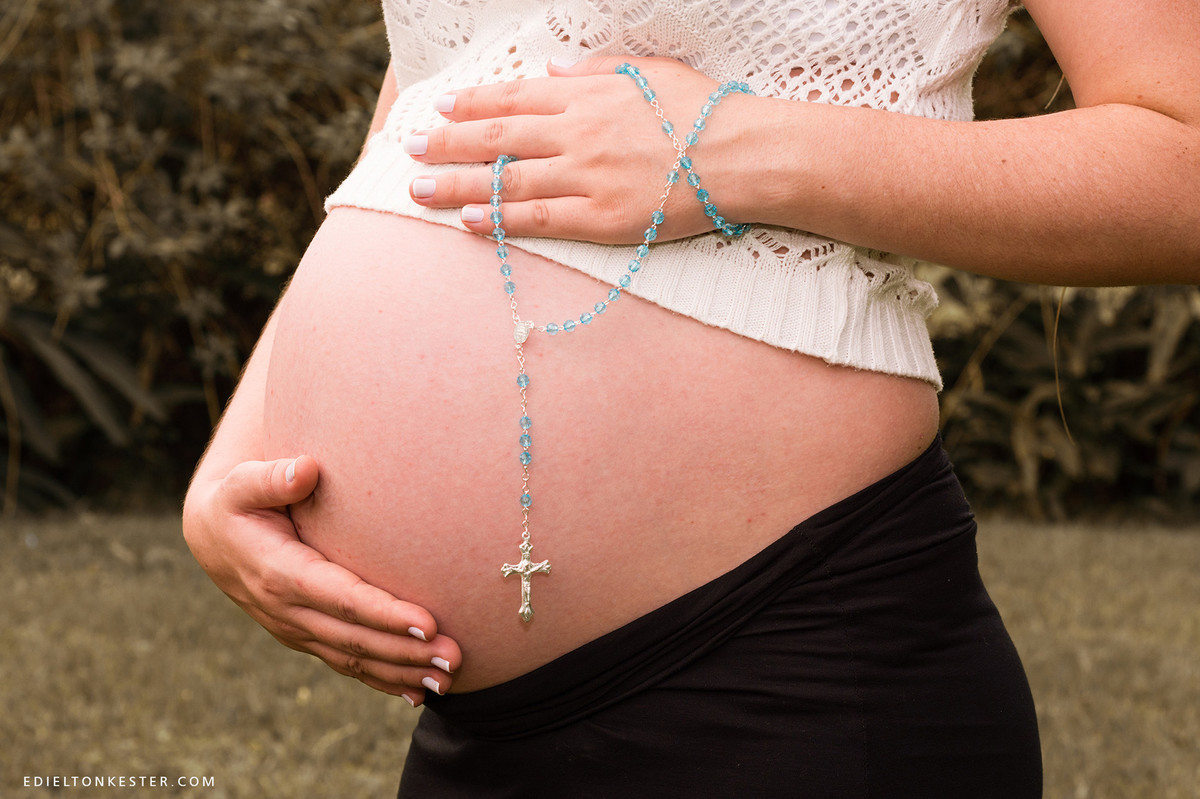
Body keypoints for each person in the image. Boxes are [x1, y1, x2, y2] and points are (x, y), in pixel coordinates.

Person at [182, 0, 1200, 795]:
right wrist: (237, 456)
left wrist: (734, 149)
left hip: (784, 679)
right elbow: (437, 102)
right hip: (478, 730)